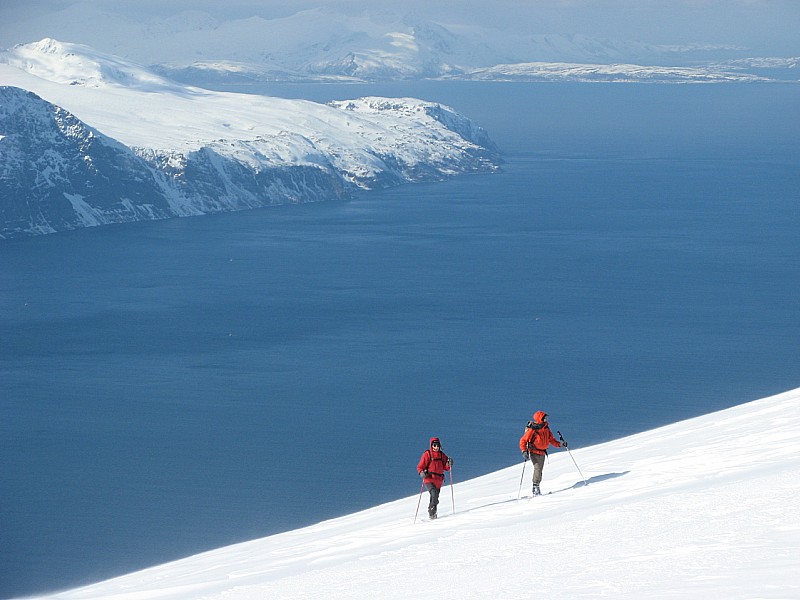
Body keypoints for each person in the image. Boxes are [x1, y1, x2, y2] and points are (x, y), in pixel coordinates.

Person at [519, 411, 566, 496]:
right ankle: (535, 487)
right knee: (538, 469)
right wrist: (524, 451)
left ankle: (536, 486)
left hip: (542, 452)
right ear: (540, 418)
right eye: (544, 417)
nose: (546, 419)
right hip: (534, 452)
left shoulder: (546, 428)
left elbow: (551, 440)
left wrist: (560, 444)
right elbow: (523, 440)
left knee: (539, 470)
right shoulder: (533, 429)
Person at [417, 437, 452, 520]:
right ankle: (431, 511)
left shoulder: (442, 455)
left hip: (438, 480)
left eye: (437, 445)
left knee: (435, 497)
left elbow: (446, 467)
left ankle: (433, 514)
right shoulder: (427, 454)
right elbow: (420, 466)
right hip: (429, 479)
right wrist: (421, 473)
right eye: (434, 445)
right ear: (431, 446)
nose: (436, 447)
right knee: (434, 493)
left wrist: (448, 463)